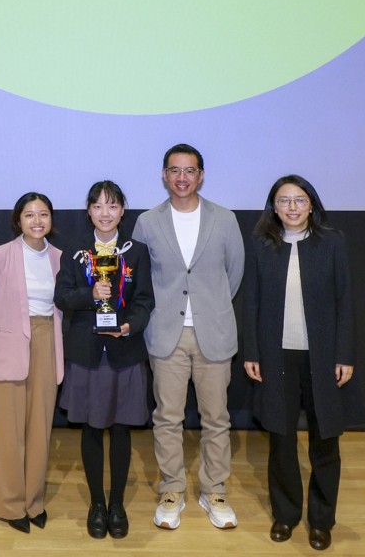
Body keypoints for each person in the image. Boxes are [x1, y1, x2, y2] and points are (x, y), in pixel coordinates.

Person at [242, 175, 365, 551]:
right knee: (280, 438)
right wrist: (252, 351)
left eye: (299, 200)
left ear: (311, 204)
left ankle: (321, 519)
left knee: (325, 439)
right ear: (273, 208)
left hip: (323, 357)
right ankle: (286, 514)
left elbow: (345, 302)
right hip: (276, 354)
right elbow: (252, 302)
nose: (292, 207)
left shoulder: (332, 244)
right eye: (284, 201)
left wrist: (344, 354)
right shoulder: (263, 245)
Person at [132, 143, 245, 530]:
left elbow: (235, 273)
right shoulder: (147, 222)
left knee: (217, 418)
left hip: (213, 332)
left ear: (201, 175)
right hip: (166, 335)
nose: (182, 178)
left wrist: (208, 307)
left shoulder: (225, 219)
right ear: (164, 175)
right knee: (167, 418)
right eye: (175, 170)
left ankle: (214, 490)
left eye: (190, 170)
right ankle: (172, 490)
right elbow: (141, 279)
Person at [55, 180, 154, 539]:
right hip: (87, 351)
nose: (105, 213)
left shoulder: (137, 251)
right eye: (97, 206)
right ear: (89, 211)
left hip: (124, 351)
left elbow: (145, 301)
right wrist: (90, 293)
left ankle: (117, 504)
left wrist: (129, 326)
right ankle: (96, 503)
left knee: (121, 428)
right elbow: (62, 297)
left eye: (112, 206)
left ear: (123, 211)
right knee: (92, 429)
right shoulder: (74, 251)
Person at [0, 192, 63, 533]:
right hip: (8, 345)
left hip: (46, 343)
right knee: (9, 433)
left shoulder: (60, 258)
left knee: (39, 428)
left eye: (43, 214)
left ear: (51, 221)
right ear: (18, 221)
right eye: (29, 215)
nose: (37, 221)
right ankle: (9, 506)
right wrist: (4, 332)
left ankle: (33, 502)